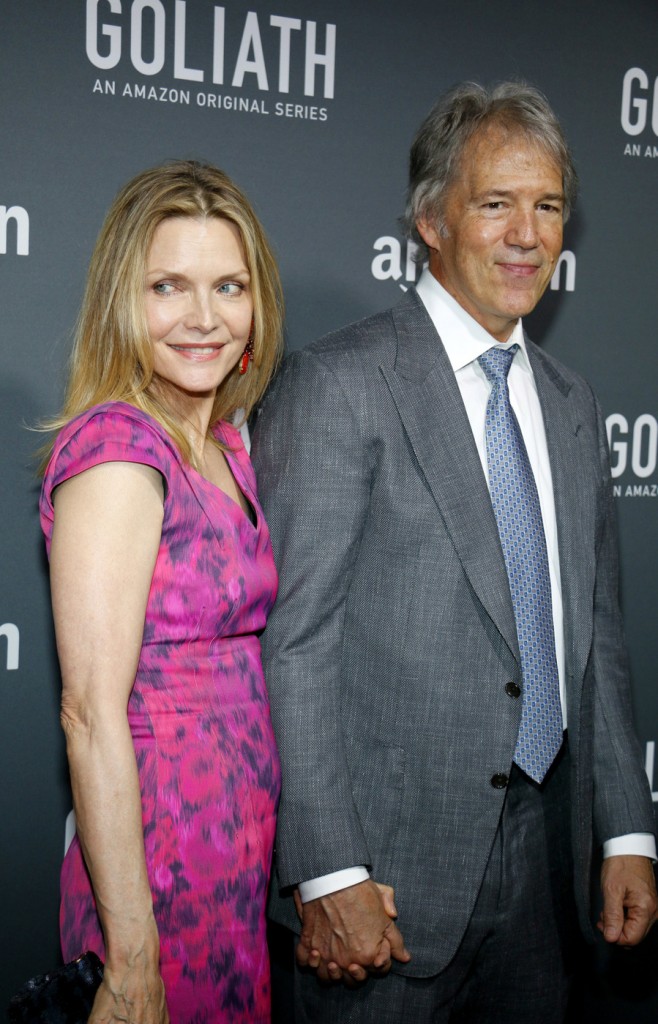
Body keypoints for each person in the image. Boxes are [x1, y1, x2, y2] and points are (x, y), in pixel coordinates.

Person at [251, 82, 658, 1023]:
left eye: (548, 206)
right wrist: (329, 869)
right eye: (495, 203)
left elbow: (593, 632)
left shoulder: (571, 401)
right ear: (431, 219)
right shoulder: (340, 385)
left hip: (550, 869)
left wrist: (627, 826)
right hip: (383, 890)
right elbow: (294, 642)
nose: (527, 233)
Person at [39, 160, 284, 1023]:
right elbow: (89, 713)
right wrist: (132, 954)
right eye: (168, 286)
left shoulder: (223, 444)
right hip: (158, 871)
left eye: (229, 286)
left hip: (236, 864)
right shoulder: (117, 451)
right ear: (122, 300)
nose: (204, 318)